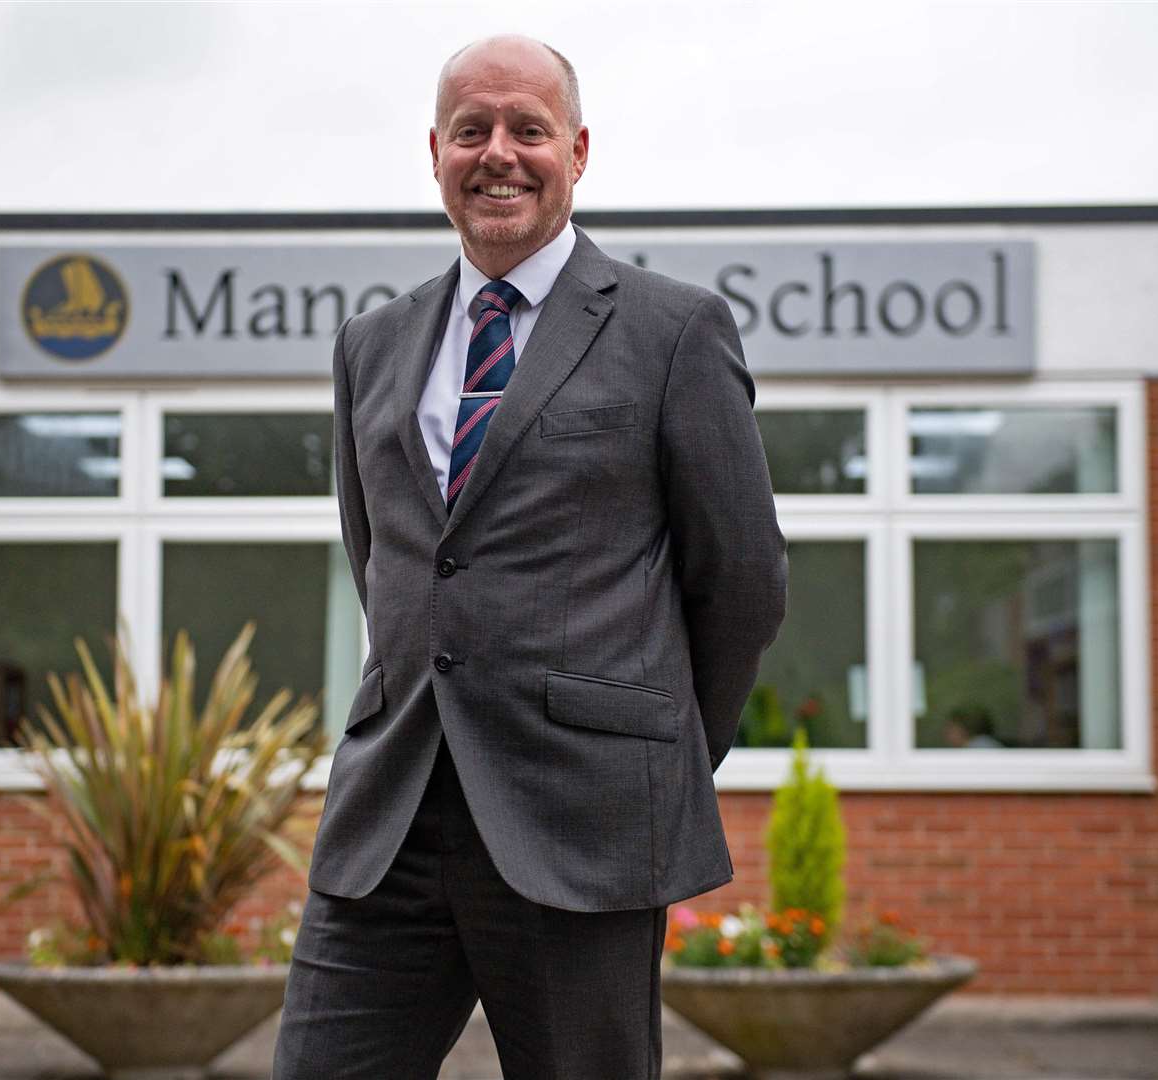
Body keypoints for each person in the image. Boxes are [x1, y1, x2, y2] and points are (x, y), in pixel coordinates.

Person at [272, 33, 788, 1080]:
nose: (498, 153)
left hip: (581, 816)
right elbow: (384, 561)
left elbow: (740, 580)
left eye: (527, 130)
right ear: (434, 153)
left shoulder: (673, 331)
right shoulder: (372, 345)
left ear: (578, 151)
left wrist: (658, 748)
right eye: (472, 130)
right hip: (393, 812)